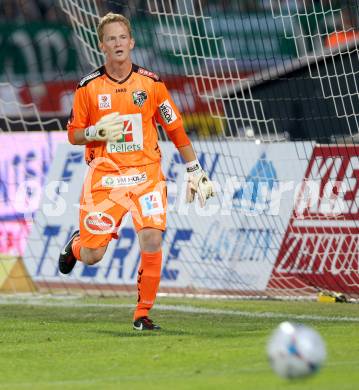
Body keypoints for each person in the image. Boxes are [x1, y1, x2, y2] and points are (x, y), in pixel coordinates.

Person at [58, 12, 214, 331]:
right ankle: (75, 244)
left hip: (147, 177)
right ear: (102, 45)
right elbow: (73, 134)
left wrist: (194, 169)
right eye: (111, 38)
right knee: (92, 256)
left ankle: (141, 314)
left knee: (152, 240)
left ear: (132, 42)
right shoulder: (88, 87)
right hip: (105, 179)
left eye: (122, 37)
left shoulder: (152, 84)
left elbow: (176, 128)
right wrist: (94, 133)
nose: (118, 43)